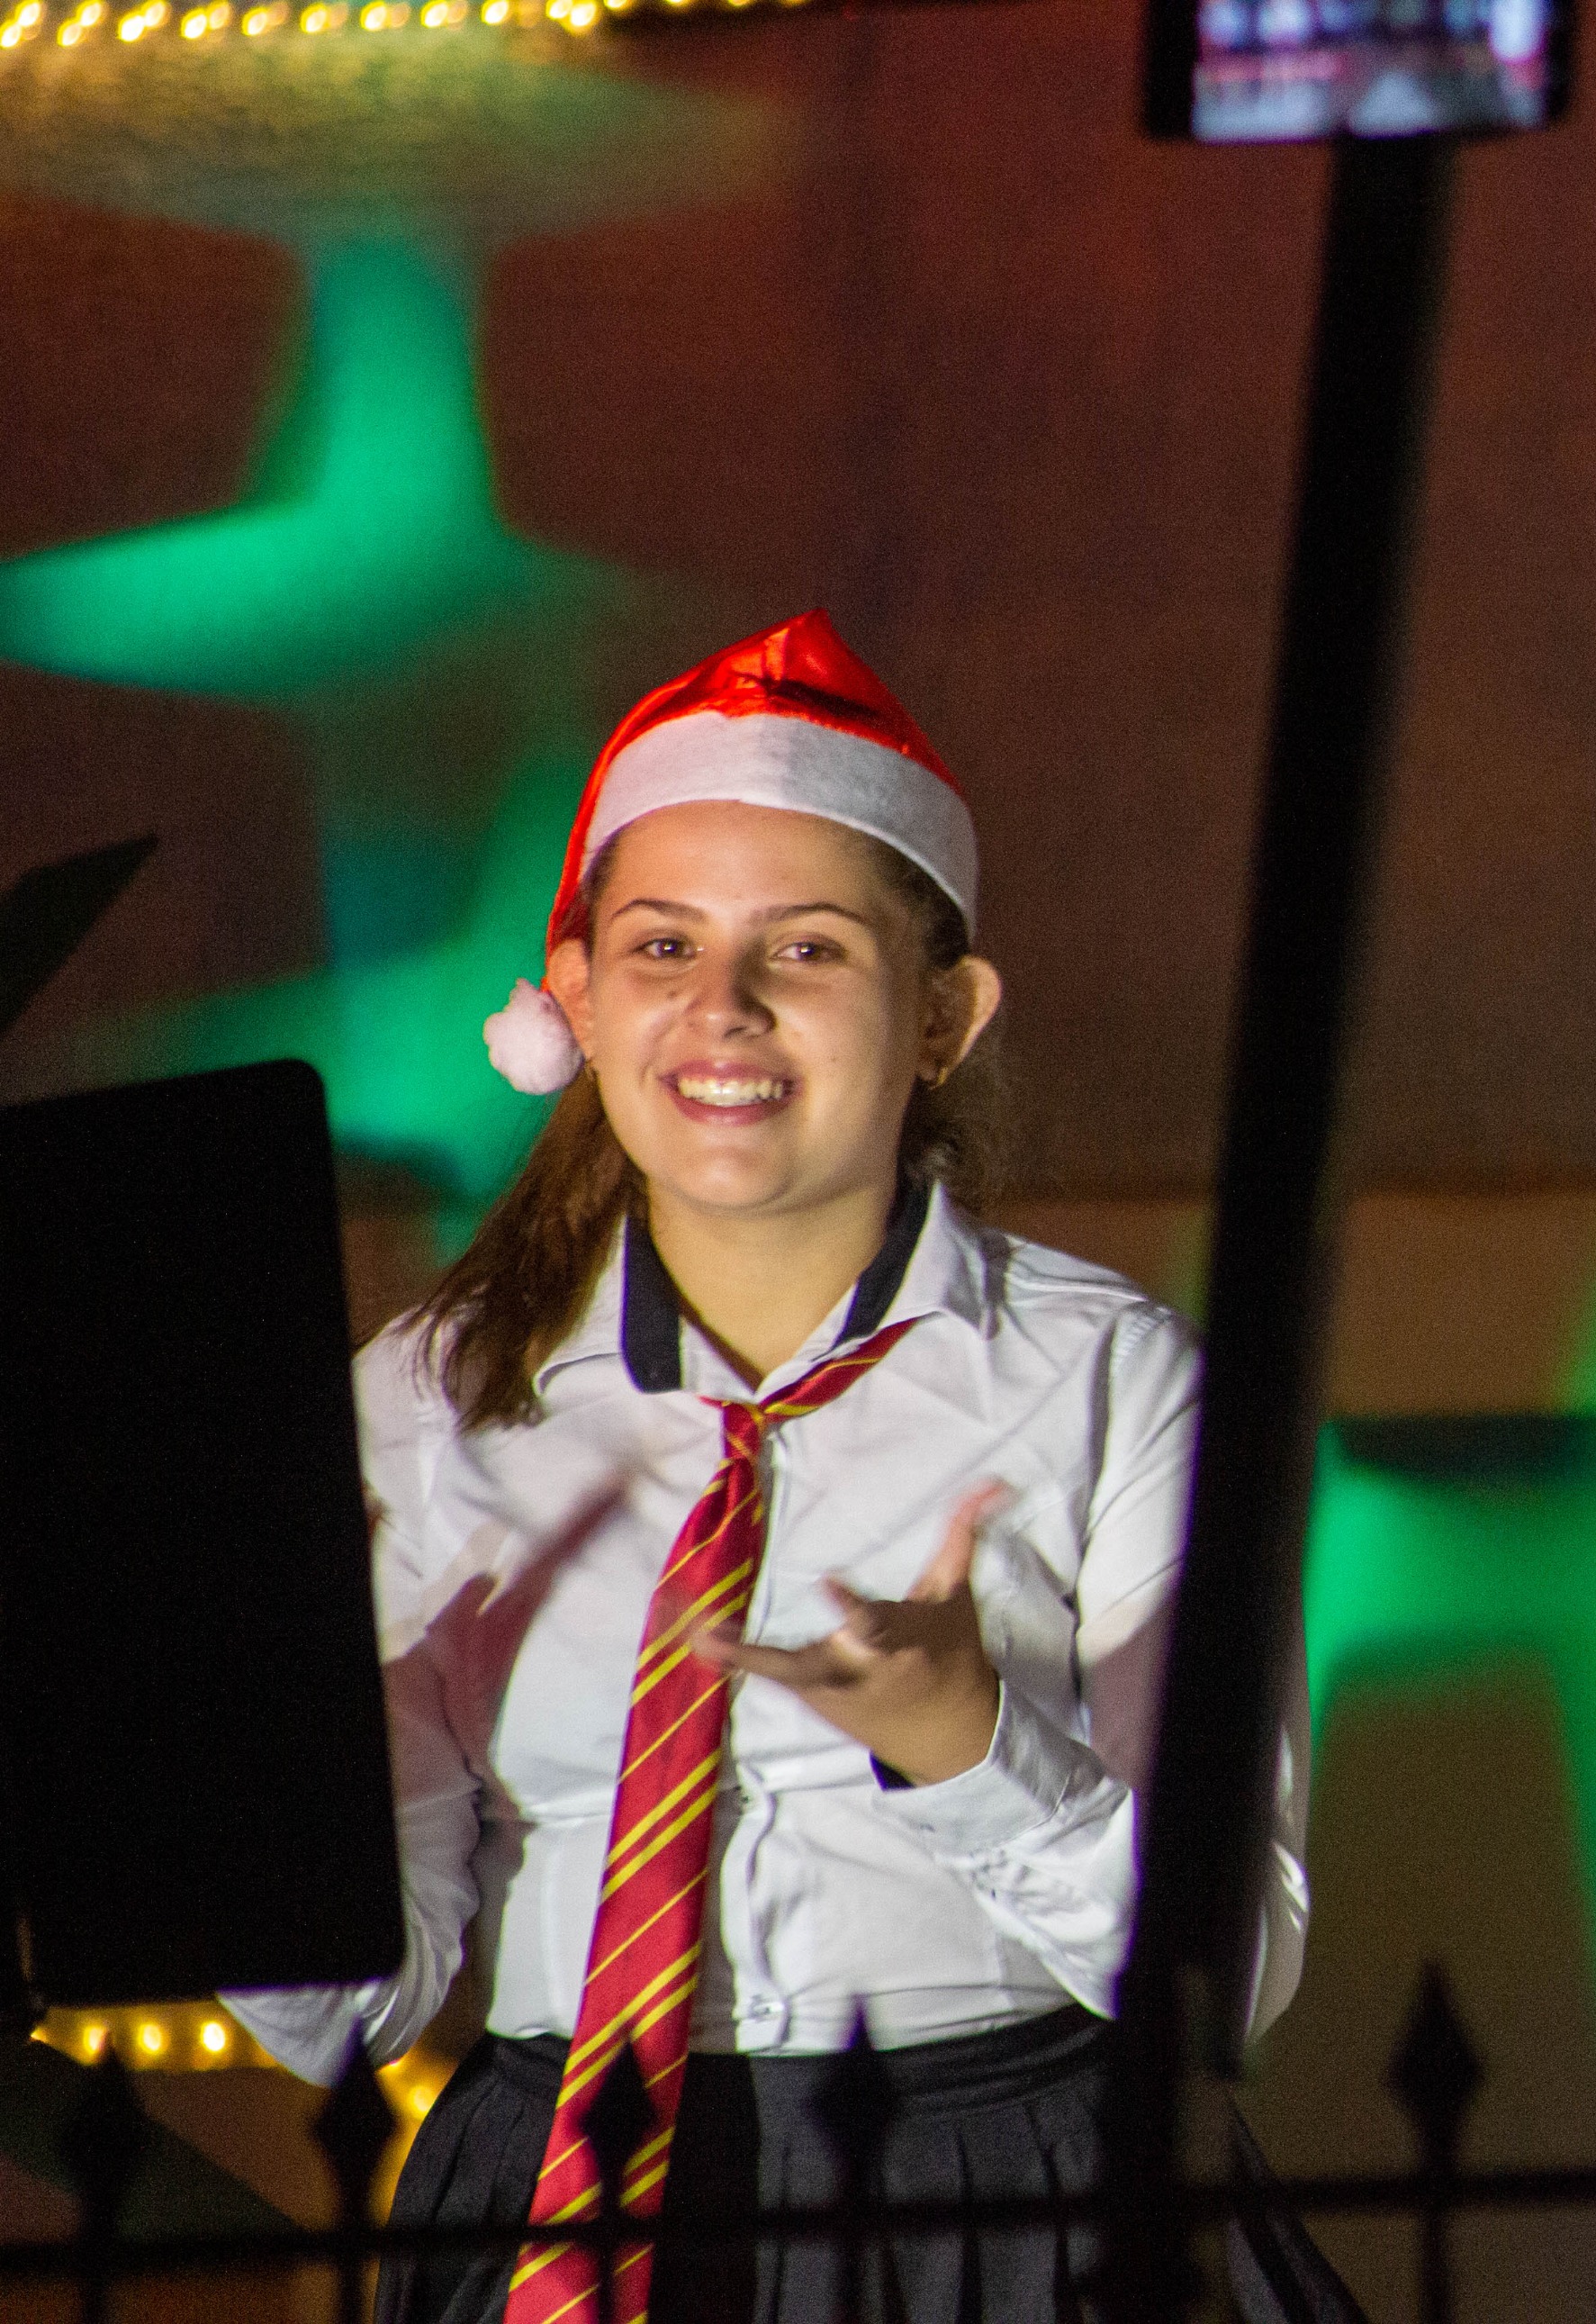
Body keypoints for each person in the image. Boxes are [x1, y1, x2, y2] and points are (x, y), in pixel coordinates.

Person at [227, 611, 1310, 2324]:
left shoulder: (1118, 1382)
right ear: (577, 1000)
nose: (721, 1007)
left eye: (805, 949)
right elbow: (360, 2013)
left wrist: (970, 1747)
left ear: (944, 1015)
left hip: (1008, 2203)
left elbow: (1224, 1978)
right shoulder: (427, 1405)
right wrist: (257, 1779)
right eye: (662, 944)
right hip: (562, 2184)